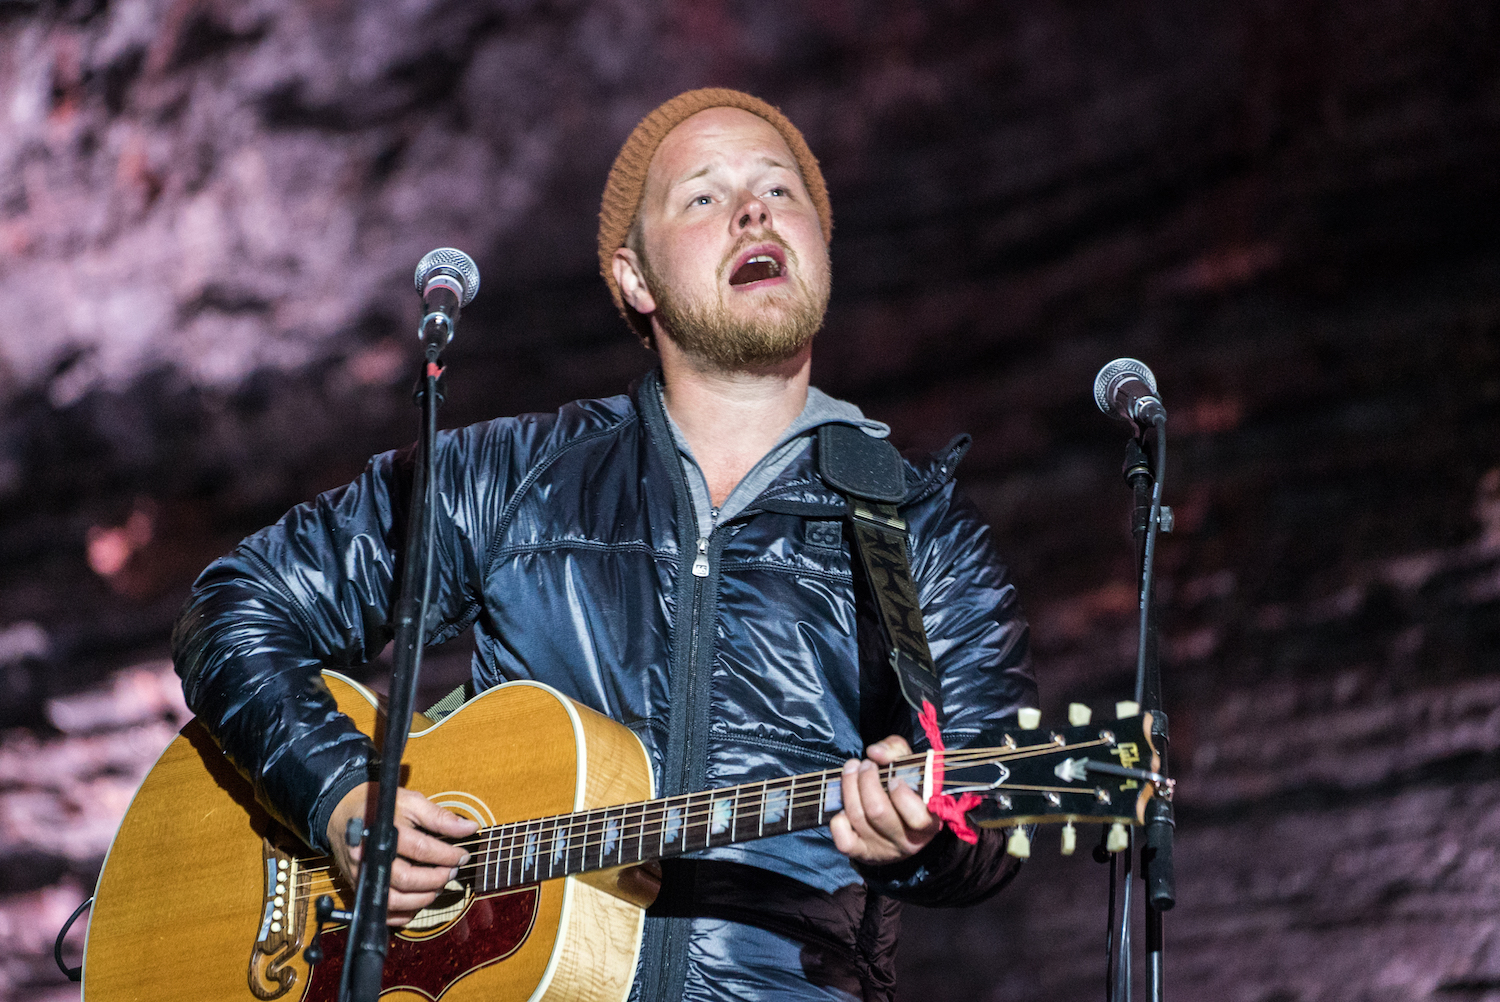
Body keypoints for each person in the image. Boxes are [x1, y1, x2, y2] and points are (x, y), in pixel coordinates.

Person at [174, 88, 1035, 1002]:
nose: (754, 210)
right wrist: (338, 794)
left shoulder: (920, 528)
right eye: (704, 196)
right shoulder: (510, 474)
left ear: (821, 250)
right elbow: (235, 607)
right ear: (634, 278)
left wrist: (926, 836)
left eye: (781, 191)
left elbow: (995, 809)